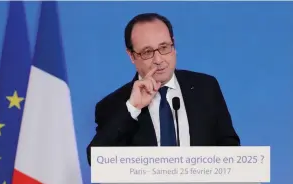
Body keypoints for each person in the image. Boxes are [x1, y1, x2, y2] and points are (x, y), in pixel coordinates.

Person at [86, 13, 240, 165]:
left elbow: (230, 148)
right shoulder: (113, 105)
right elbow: (96, 159)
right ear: (132, 56)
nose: (158, 60)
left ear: (173, 45)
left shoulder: (206, 88)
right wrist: (133, 108)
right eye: (147, 52)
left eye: (164, 47)